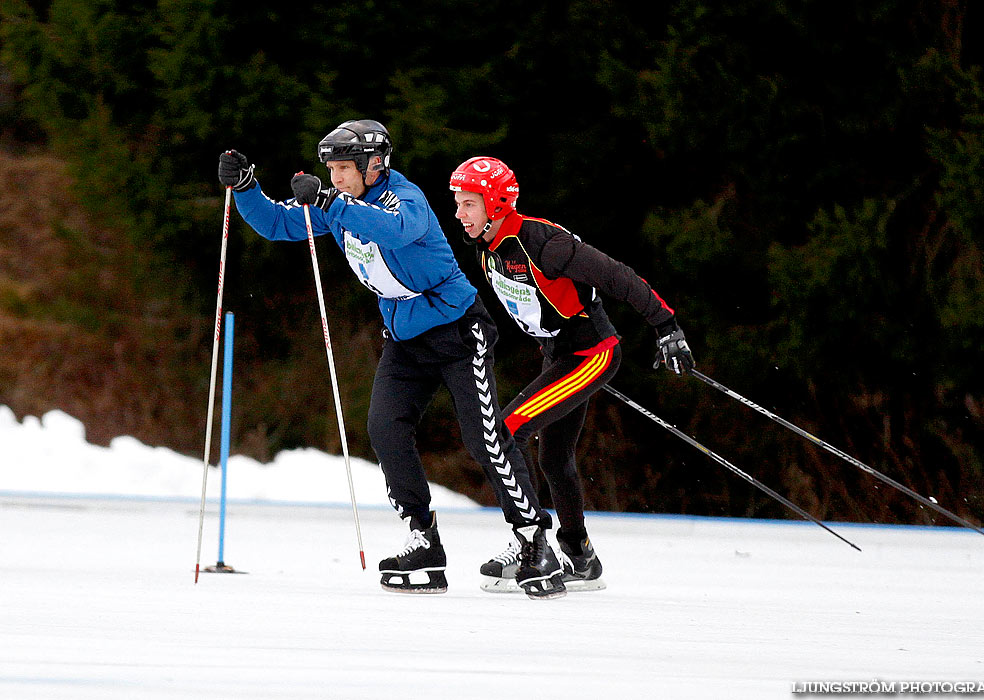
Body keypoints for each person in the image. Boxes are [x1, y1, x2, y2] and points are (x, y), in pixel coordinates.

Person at [217, 121, 566, 599]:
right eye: (332, 171)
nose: (336, 178)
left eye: (344, 169)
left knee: (482, 436)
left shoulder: (405, 198)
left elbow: (397, 231)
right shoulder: (336, 207)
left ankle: (533, 540)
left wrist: (330, 203)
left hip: (459, 328)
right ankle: (423, 538)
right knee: (385, 427)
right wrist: (246, 188)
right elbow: (279, 224)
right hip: (405, 338)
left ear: (373, 164)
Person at [449, 156, 694, 592]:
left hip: (590, 354)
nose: (459, 214)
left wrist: (666, 326)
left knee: (506, 432)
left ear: (497, 203)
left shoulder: (545, 243)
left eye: (469, 204)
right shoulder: (488, 247)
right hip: (560, 355)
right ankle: (579, 557)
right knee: (553, 458)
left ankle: (533, 544)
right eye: (458, 203)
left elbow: (616, 277)